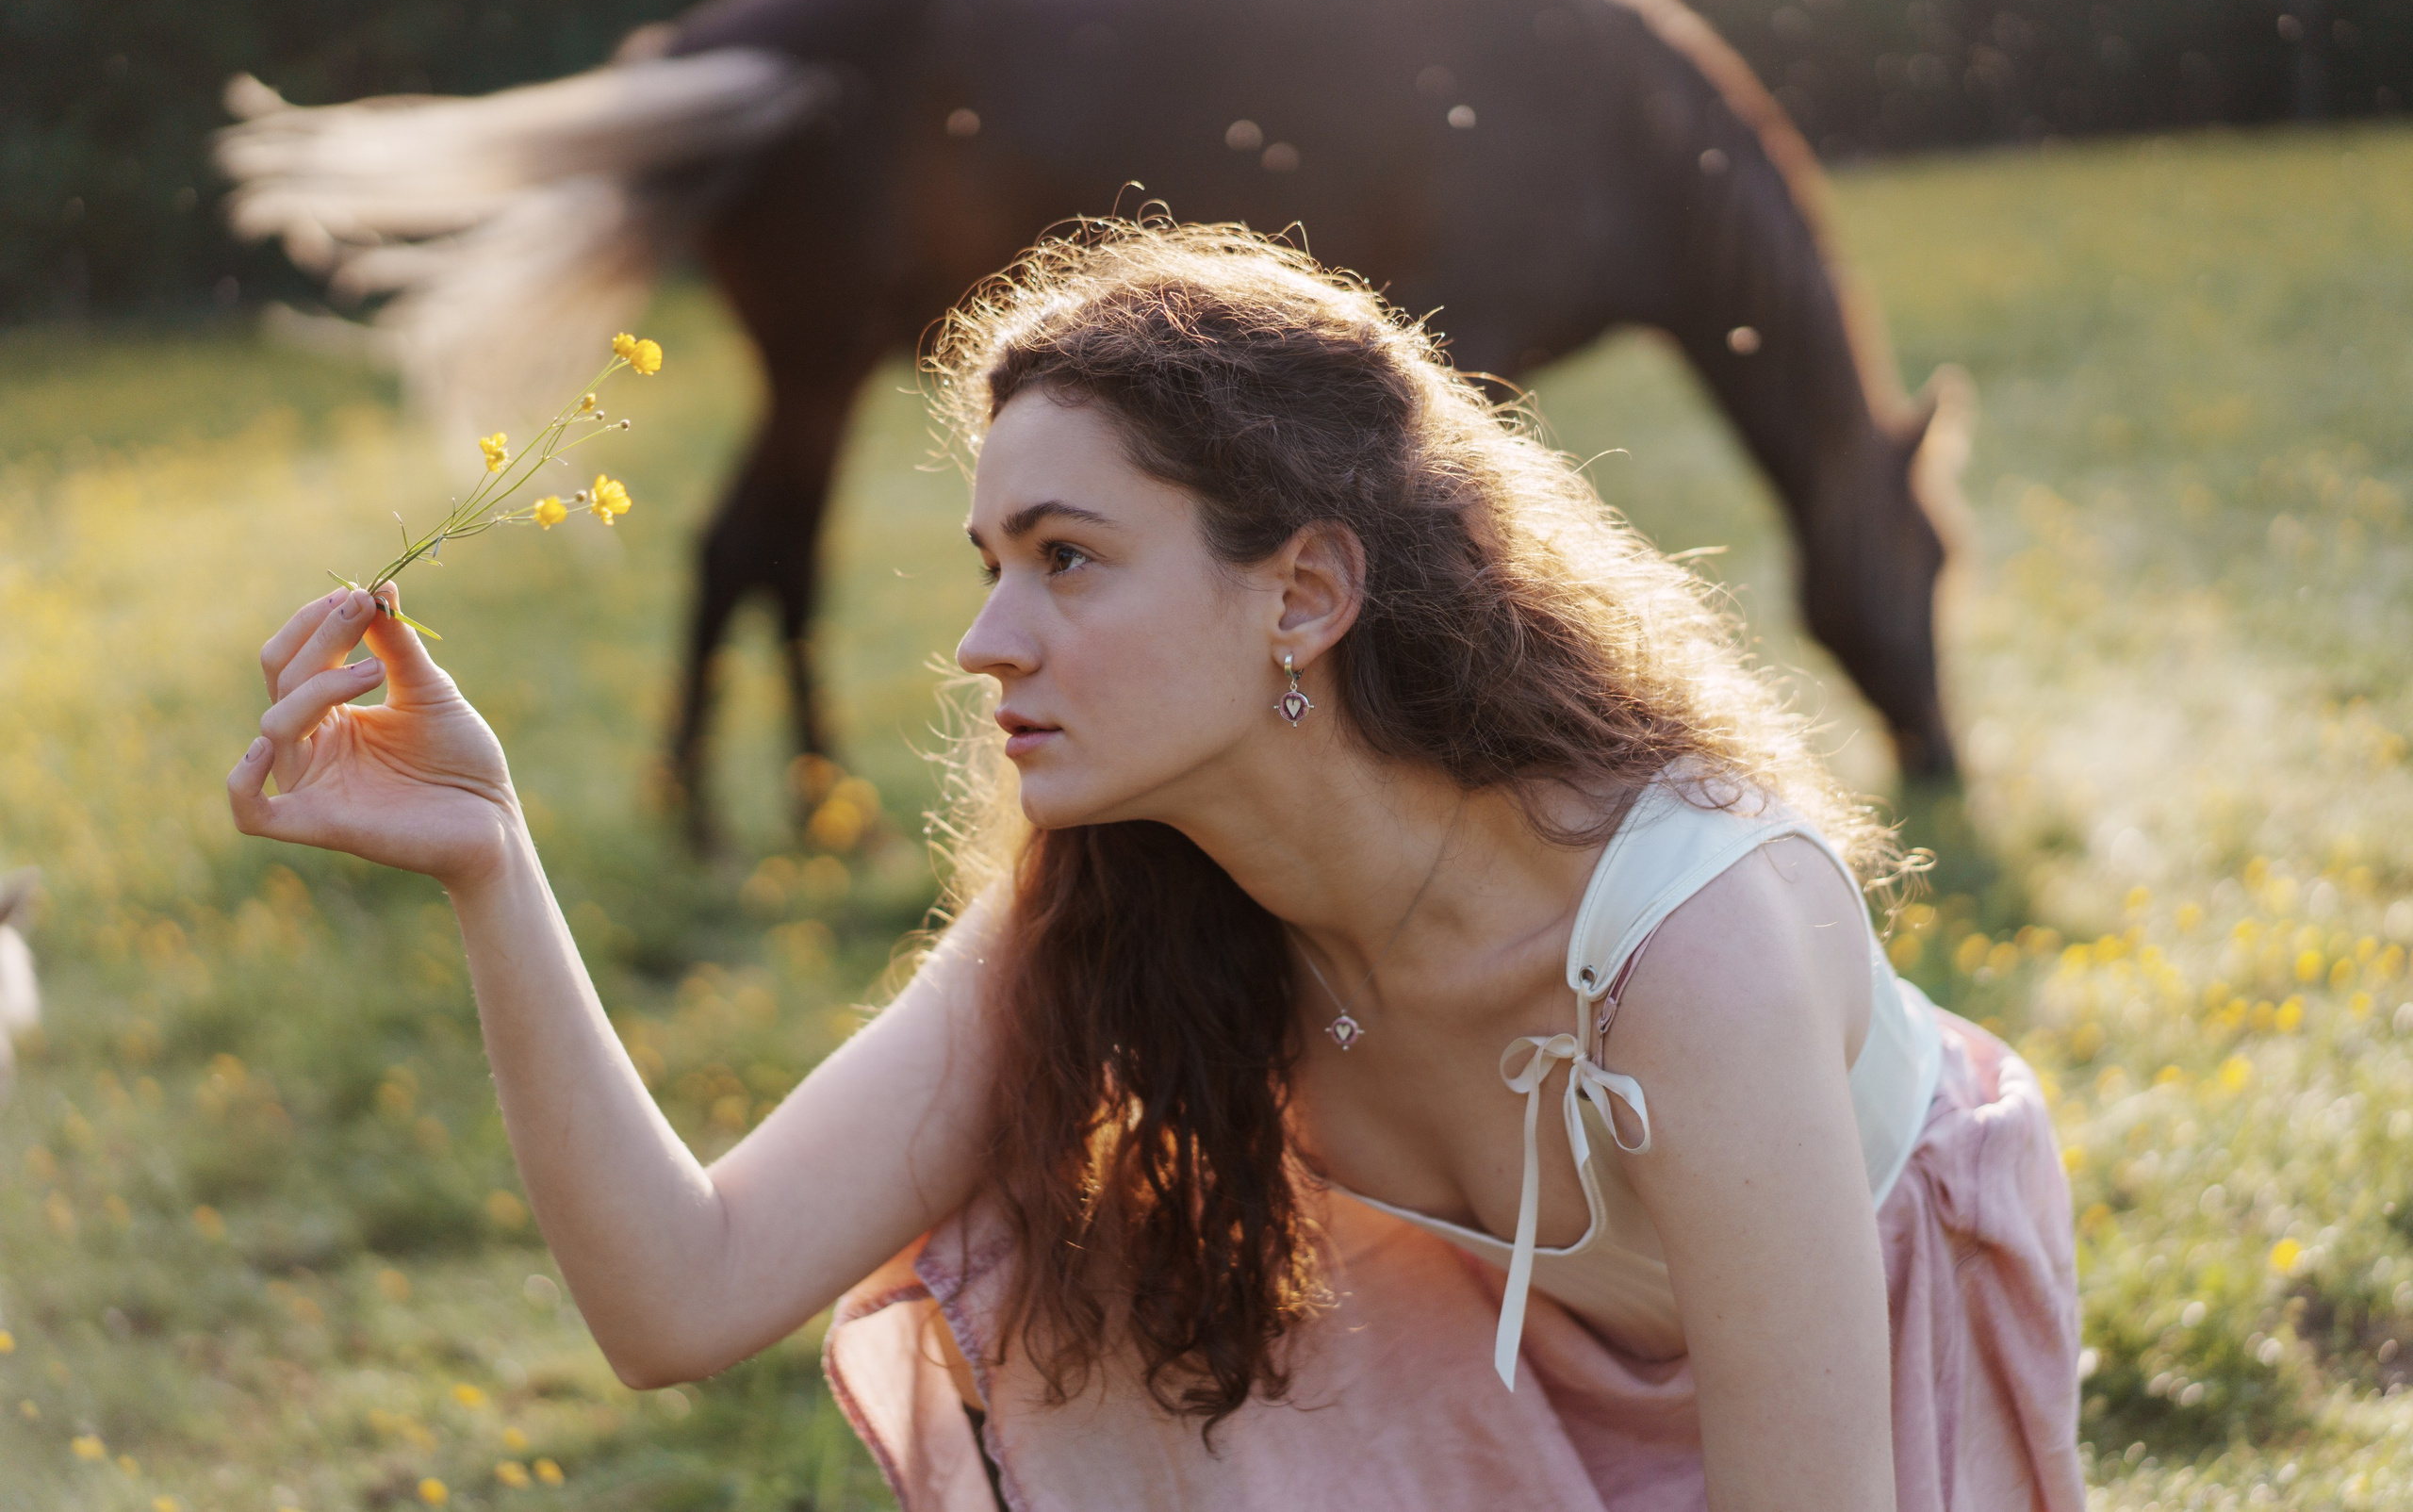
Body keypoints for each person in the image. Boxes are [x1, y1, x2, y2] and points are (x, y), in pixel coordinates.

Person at [228, 222, 2083, 1511]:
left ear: (1303, 593)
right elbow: (680, 1292)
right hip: (1476, 1406)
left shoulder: (1692, 940)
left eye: (1067, 557)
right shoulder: (1120, 887)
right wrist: (491, 857)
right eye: (987, 561)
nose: (984, 643)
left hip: (1868, 1402)